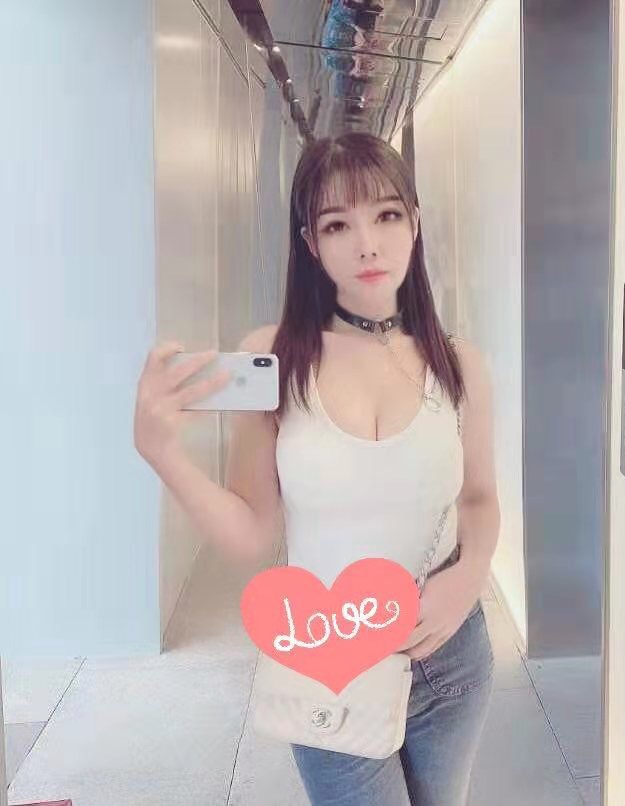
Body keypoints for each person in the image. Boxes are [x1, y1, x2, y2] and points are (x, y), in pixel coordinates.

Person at [133, 132, 501, 805]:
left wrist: (469, 577)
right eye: (338, 225)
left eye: (386, 215)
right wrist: (162, 453)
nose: (367, 244)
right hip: (331, 655)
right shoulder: (275, 358)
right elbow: (250, 530)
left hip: (449, 653)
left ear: (415, 224)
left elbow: (479, 497)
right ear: (310, 242)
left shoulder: (458, 363)